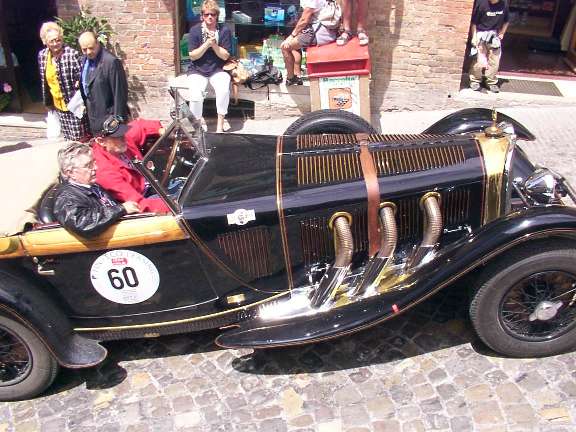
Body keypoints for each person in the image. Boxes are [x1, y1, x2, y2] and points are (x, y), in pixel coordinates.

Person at [53, 142, 140, 237]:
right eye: (88, 165)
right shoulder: (66, 197)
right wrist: (121, 209)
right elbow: (82, 224)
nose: (95, 167)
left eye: (94, 162)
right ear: (70, 173)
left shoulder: (93, 186)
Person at [91, 118, 171, 214]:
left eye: (123, 133)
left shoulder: (121, 142)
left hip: (153, 185)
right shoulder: (105, 172)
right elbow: (138, 204)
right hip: (144, 198)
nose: (124, 138)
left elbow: (139, 125)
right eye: (117, 137)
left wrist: (161, 130)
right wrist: (173, 205)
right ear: (101, 141)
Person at [38, 22, 89, 141]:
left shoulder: (72, 54)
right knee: (67, 137)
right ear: (45, 42)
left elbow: (82, 77)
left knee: (79, 139)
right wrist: (48, 103)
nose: (55, 44)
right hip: (58, 105)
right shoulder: (43, 56)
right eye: (52, 41)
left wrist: (78, 81)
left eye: (58, 40)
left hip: (75, 105)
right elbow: (44, 81)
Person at [187, 0, 232, 133]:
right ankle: (197, 127)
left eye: (213, 14)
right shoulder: (195, 30)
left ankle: (220, 126)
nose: (210, 17)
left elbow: (225, 56)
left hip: (217, 69)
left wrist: (214, 45)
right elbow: (193, 56)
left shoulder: (224, 30)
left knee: (223, 90)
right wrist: (206, 44)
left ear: (217, 15)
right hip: (197, 69)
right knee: (195, 95)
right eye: (206, 14)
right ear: (202, 16)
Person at [78, 31, 129, 134]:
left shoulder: (111, 62)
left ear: (97, 43)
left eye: (91, 48)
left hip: (110, 120)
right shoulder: (84, 60)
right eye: (84, 49)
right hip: (94, 117)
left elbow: (120, 94)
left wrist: (118, 121)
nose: (88, 52)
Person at [280, 0, 339, 86]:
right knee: (294, 47)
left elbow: (304, 20)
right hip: (321, 30)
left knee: (285, 47)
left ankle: (290, 78)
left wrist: (291, 36)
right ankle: (297, 75)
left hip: (318, 32)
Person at [469, 0, 509, 93]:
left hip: (494, 35)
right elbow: (474, 22)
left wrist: (502, 32)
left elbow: (506, 21)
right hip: (481, 33)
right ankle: (475, 81)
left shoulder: (504, 3)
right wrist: (474, 36)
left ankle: (491, 82)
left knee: (495, 60)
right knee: (479, 60)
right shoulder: (481, 3)